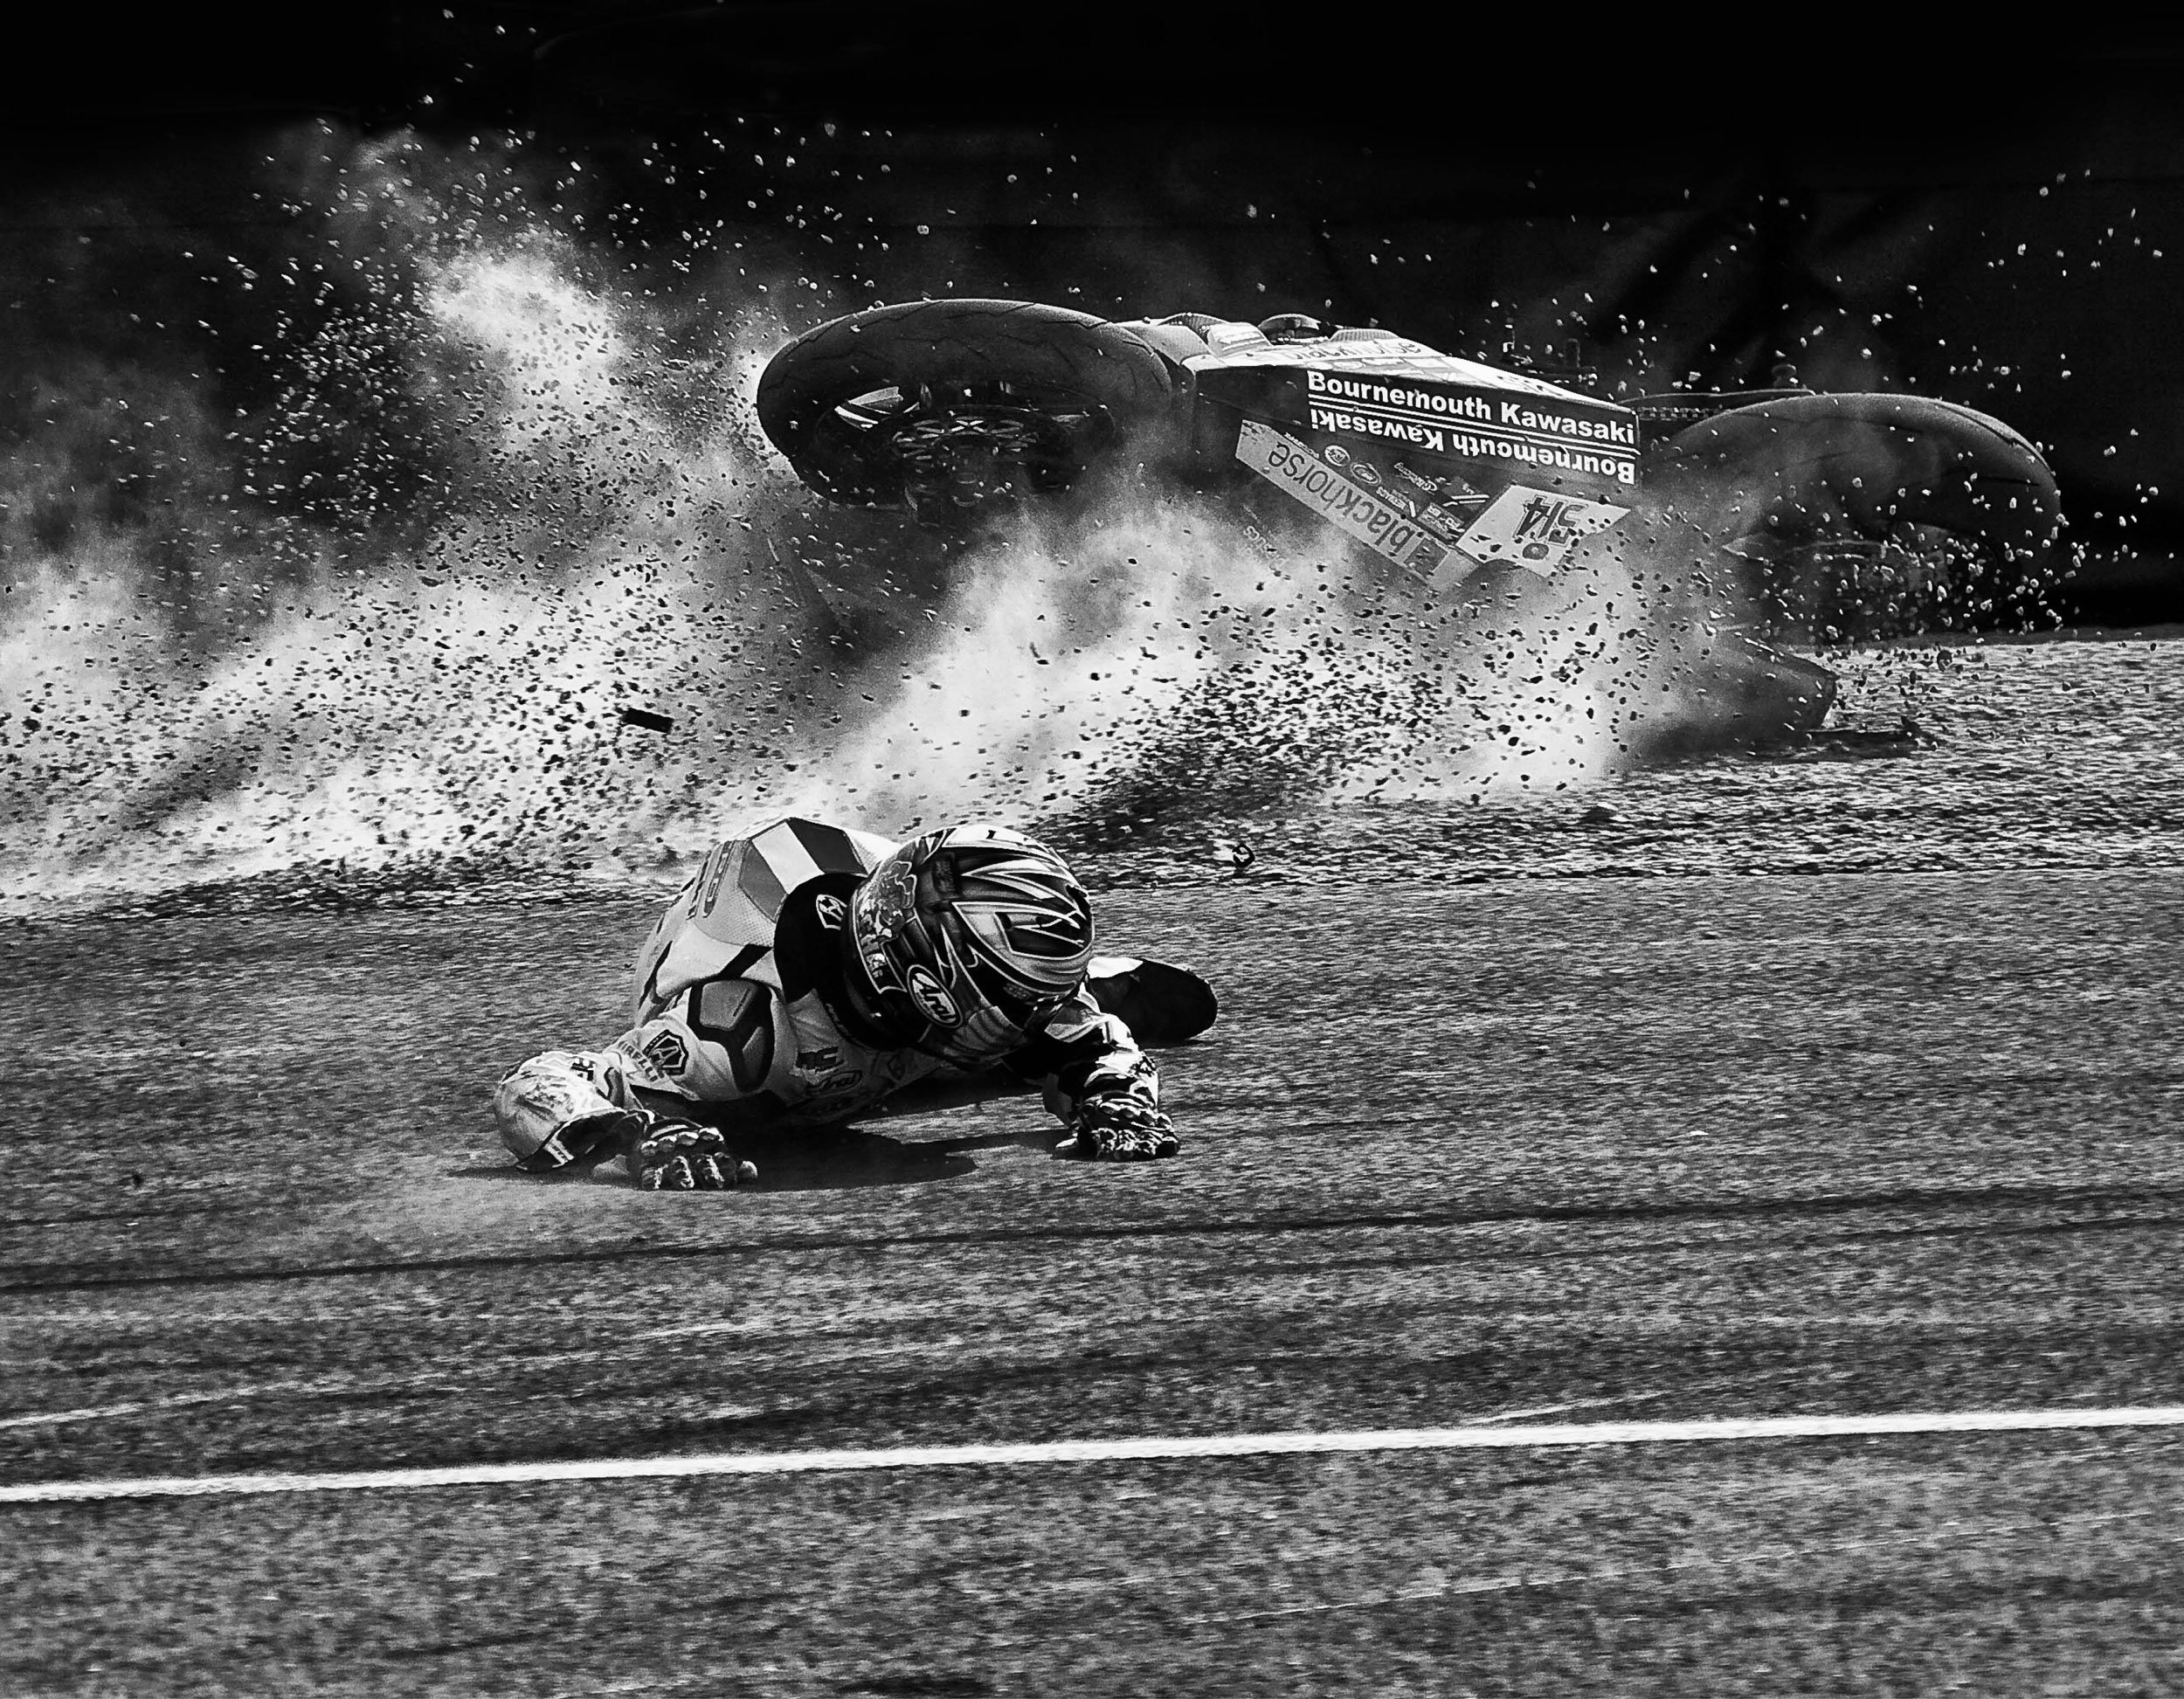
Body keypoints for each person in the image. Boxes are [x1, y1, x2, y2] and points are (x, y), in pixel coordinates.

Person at [492, 817, 1207, 1190]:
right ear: (936, 980)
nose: (1030, 1014)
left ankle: (1094, 985)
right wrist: (638, 1133)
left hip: (899, 1009)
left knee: (1091, 1033)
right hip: (751, 1005)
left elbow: (1095, 1042)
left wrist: (1116, 1096)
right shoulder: (740, 1023)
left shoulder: (936, 977)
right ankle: (1091, 990)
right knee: (1039, 1039)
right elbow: (543, 1079)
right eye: (1016, 998)